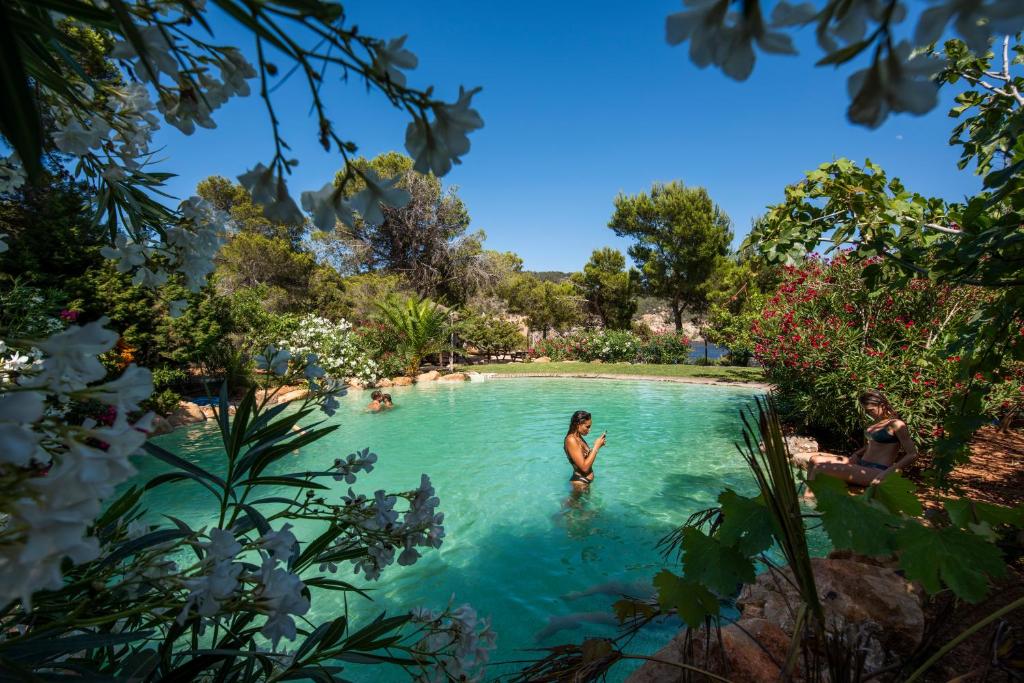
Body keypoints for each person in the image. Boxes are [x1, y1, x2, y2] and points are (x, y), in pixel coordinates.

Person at [807, 390, 919, 488]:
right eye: (866, 411)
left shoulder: (896, 424)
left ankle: (807, 503)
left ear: (882, 405)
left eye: (871, 410)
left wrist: (887, 473)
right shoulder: (875, 424)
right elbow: (870, 446)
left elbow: (912, 454)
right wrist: (855, 455)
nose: (868, 414)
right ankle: (809, 495)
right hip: (861, 463)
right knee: (814, 460)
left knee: (820, 468)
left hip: (877, 470)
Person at [563, 410, 606, 492]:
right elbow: (584, 468)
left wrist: (597, 445)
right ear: (578, 424)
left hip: (584, 482)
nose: (589, 430)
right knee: (573, 504)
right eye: (587, 427)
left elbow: (585, 459)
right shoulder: (571, 440)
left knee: (579, 504)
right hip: (579, 483)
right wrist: (596, 446)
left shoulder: (578, 437)